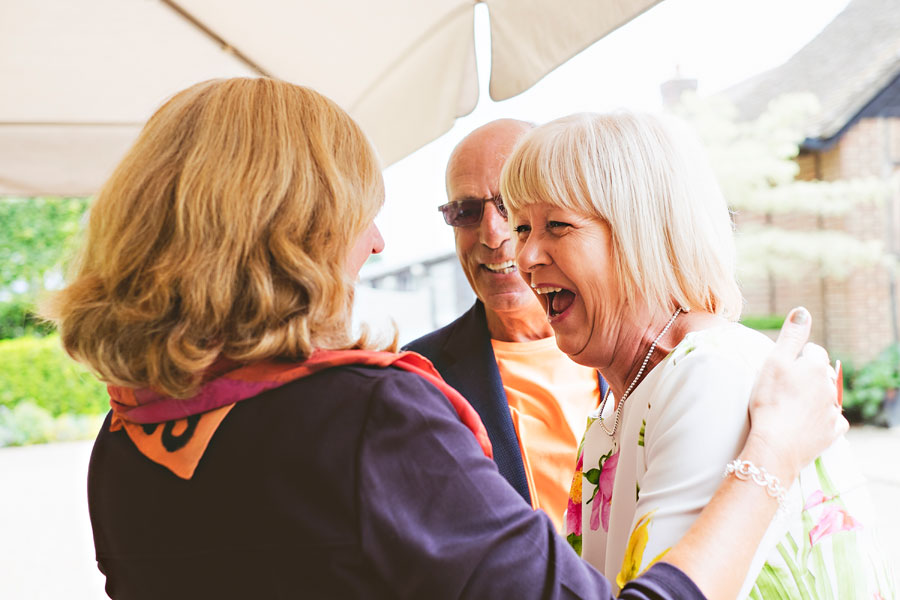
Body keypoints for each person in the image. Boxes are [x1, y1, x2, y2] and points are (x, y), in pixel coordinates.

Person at [45, 77, 846, 600]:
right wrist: (771, 458)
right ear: (292, 229)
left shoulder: (122, 446)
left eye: (547, 222)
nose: (376, 244)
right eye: (356, 211)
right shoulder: (369, 421)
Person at [501, 111, 894, 597]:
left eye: (556, 225)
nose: (525, 256)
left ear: (639, 233)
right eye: (521, 228)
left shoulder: (709, 374)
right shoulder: (622, 398)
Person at [405, 120, 605, 530]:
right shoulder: (416, 376)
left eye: (509, 205)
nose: (493, 234)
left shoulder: (632, 345)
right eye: (465, 212)